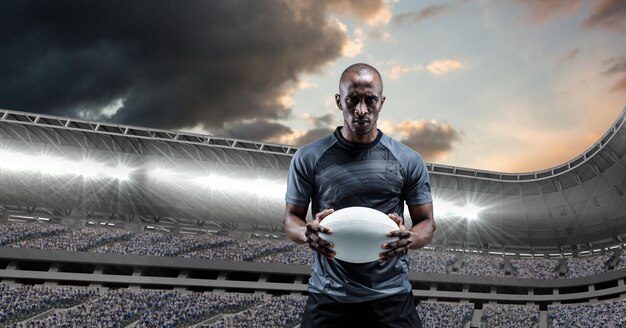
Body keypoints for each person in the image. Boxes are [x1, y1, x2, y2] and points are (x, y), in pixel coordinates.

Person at [283, 63, 436, 327]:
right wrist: (305, 232)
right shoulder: (308, 157)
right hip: (328, 296)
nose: (361, 110)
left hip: (391, 296)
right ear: (338, 101)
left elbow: (427, 223)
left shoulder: (408, 160)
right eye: (352, 100)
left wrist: (409, 238)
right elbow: (291, 219)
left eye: (370, 100)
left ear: (382, 101)